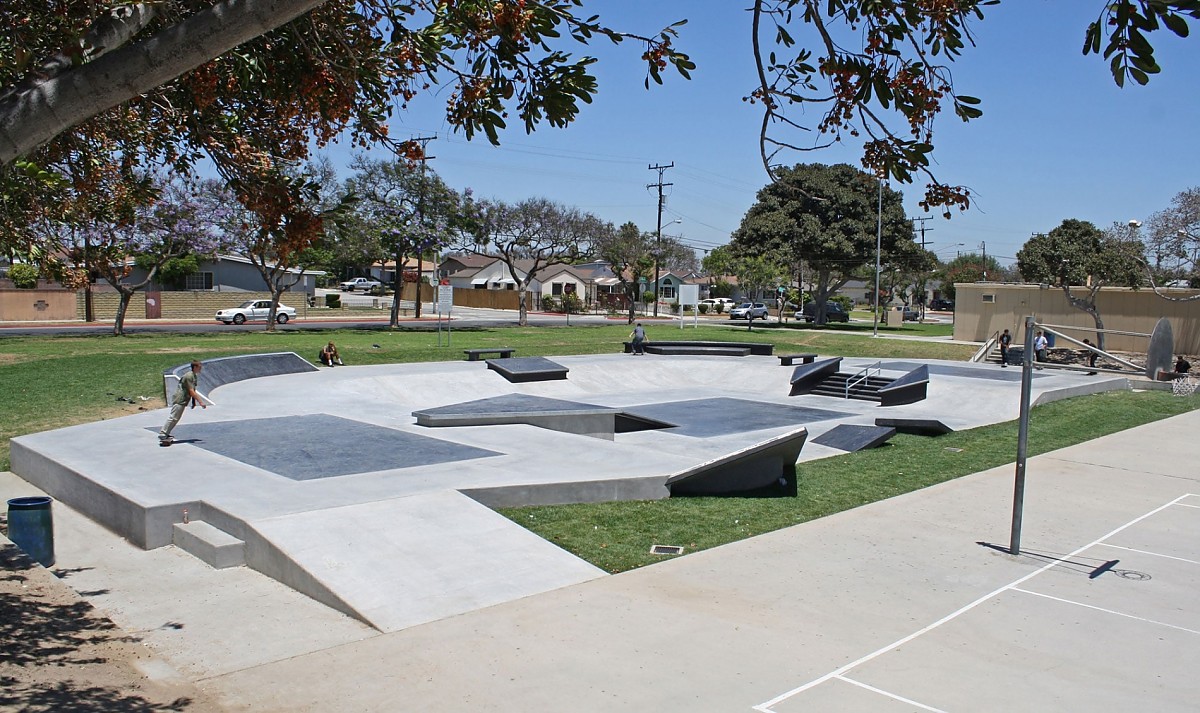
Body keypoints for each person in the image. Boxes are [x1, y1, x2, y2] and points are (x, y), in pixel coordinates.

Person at [159, 360, 205, 445]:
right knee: (173, 417)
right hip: (180, 399)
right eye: (199, 367)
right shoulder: (189, 376)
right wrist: (201, 402)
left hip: (184, 400)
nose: (201, 369)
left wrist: (194, 402)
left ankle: (166, 433)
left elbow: (193, 389)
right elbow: (191, 391)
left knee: (176, 418)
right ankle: (163, 433)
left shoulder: (194, 376)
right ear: (195, 367)